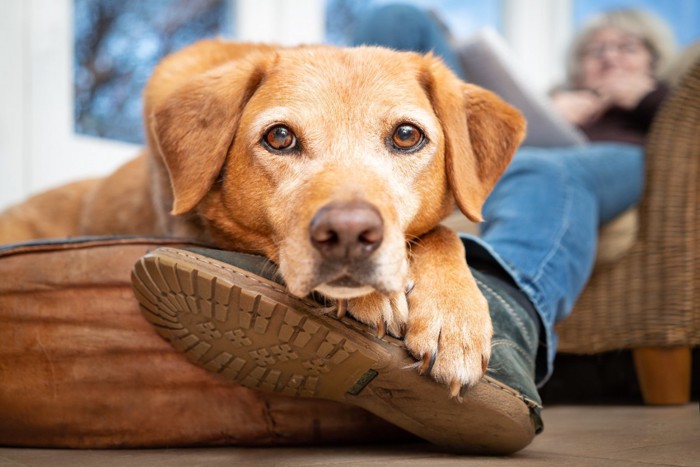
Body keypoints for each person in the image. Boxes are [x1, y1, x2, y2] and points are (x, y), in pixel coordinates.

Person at [131, 5, 676, 453]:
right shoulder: (555, 93)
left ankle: (510, 311)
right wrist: (558, 106)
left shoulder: (659, 113)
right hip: (496, 148)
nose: (610, 58)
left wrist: (640, 100)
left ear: (654, 61)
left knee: (544, 170)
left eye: (625, 50)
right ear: (577, 64)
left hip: (590, 163)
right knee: (393, 16)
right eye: (597, 50)